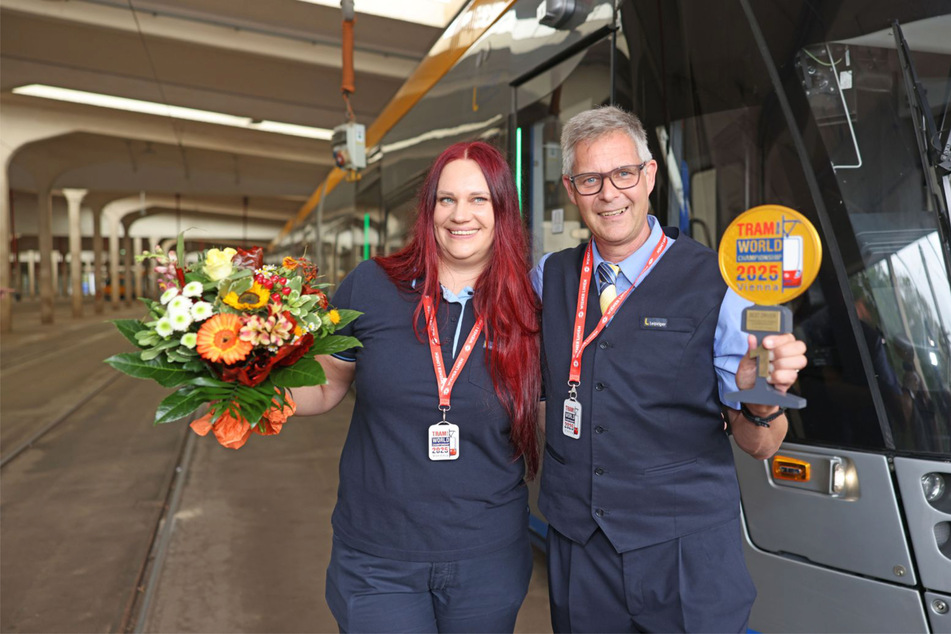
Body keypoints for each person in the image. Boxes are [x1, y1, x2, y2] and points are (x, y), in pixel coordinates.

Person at [531, 106, 808, 633]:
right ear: (571, 189)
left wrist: (762, 397)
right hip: (579, 552)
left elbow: (761, 443)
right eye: (590, 179)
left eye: (623, 174)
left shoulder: (721, 286)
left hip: (685, 559)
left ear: (650, 174)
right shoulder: (551, 277)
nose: (609, 194)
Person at [291, 141, 541, 633]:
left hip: (486, 559)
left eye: (478, 200)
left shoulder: (530, 307)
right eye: (446, 199)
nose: (459, 215)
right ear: (428, 210)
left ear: (502, 212)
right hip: (378, 559)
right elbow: (324, 387)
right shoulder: (370, 286)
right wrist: (245, 389)